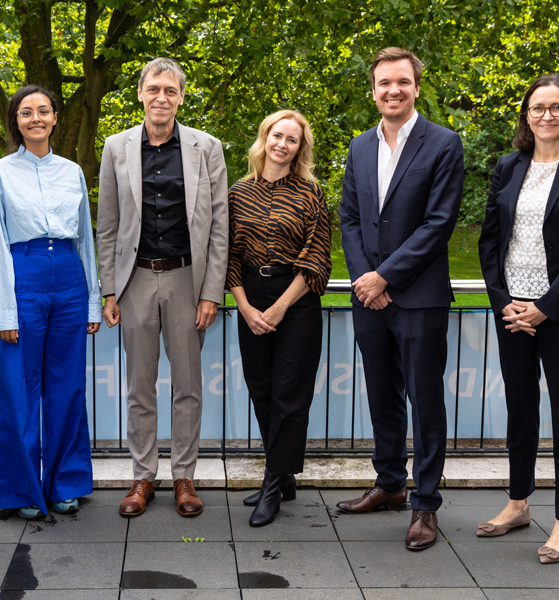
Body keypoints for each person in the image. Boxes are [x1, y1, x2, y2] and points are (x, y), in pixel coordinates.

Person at [477, 73, 559, 563]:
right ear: (526, 116)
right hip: (513, 308)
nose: (547, 116)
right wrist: (503, 301)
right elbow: (490, 240)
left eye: (557, 107)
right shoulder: (508, 166)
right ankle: (517, 503)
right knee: (520, 410)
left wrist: (546, 307)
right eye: (538, 108)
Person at [337, 47, 464, 550]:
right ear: (373, 90)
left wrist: (384, 277)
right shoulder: (359, 146)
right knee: (382, 395)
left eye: (402, 82)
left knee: (425, 401)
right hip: (370, 300)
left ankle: (425, 504)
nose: (393, 90)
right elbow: (348, 219)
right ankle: (389, 484)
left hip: (419, 298)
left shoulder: (443, 143)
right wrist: (365, 279)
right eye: (384, 83)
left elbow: (439, 224)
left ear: (416, 87)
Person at [97, 57, 228, 518]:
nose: (161, 98)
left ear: (181, 97)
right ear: (140, 93)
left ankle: (185, 476)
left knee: (188, 386)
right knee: (140, 386)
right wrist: (109, 291)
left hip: (186, 279)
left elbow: (219, 229)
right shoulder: (116, 148)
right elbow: (108, 226)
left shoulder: (206, 148)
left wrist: (211, 292)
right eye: (154, 89)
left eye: (170, 91)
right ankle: (142, 476)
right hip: (134, 282)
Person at [0, 85, 101, 518]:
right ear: (16, 121)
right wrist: (7, 310)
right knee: (18, 388)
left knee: (67, 387)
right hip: (23, 274)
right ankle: (21, 490)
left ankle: (65, 482)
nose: (35, 118)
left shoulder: (72, 172)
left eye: (43, 111)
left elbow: (86, 238)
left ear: (54, 119)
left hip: (69, 275)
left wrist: (91, 300)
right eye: (26, 112)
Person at [227, 109, 331, 527]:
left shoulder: (310, 193)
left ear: (299, 148)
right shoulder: (238, 192)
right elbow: (228, 255)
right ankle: (283, 474)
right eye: (277, 135)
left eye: (292, 139)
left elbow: (317, 257)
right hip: (250, 296)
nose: (283, 144)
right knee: (262, 391)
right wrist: (246, 306)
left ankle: (272, 485)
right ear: (264, 137)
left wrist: (280, 307)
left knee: (289, 394)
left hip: (296, 300)